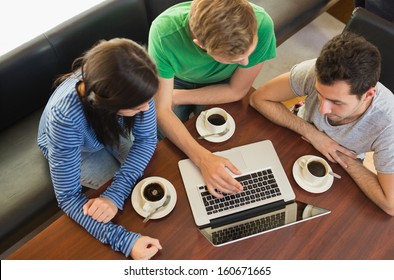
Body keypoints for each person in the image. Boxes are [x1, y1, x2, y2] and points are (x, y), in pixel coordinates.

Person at [38, 38, 162, 259]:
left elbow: (147, 140)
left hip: (108, 130)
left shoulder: (136, 83)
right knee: (127, 205)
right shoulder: (65, 119)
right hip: (77, 148)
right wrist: (124, 241)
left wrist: (114, 194)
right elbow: (68, 197)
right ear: (109, 103)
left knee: (146, 184)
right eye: (138, 106)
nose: (147, 107)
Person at [249, 32, 394, 216]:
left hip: (343, 165)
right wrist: (312, 133)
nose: (323, 109)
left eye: (336, 102)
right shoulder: (315, 72)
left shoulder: (389, 123)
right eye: (319, 94)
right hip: (299, 136)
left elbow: (391, 204)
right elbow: (258, 99)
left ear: (368, 95)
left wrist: (342, 155)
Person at [148, 0, 276, 198]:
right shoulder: (163, 33)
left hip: (224, 84)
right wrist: (202, 160)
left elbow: (237, 90)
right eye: (234, 60)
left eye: (250, 51)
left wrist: (178, 98)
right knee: (162, 146)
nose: (245, 62)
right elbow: (161, 111)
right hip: (175, 81)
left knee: (223, 141)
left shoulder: (263, 24)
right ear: (200, 45)